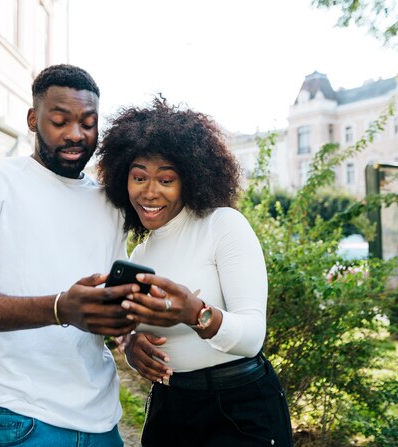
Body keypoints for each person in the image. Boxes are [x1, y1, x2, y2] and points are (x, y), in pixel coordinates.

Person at [0, 64, 138, 447]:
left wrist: (131, 339)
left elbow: (107, 306)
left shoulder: (109, 202)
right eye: (60, 121)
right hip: (21, 419)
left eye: (88, 123)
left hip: (103, 422)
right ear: (33, 119)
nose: (75, 134)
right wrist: (60, 308)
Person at [97, 97, 294, 446]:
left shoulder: (223, 226)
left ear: (189, 179)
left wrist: (195, 313)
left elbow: (252, 338)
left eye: (166, 179)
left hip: (238, 410)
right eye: (138, 177)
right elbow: (134, 330)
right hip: (170, 408)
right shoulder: (141, 253)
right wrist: (131, 346)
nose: (149, 191)